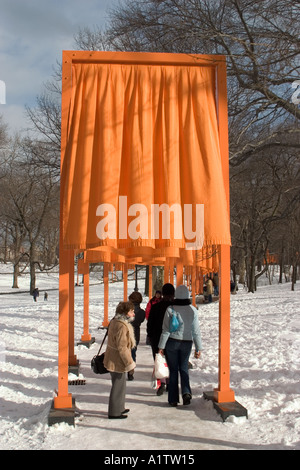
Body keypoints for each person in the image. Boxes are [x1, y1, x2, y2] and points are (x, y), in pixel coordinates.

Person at [158, 284, 202, 407]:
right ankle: (186, 392)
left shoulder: (170, 309)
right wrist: (198, 347)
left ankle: (173, 398)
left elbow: (165, 330)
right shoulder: (192, 310)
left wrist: (161, 347)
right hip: (187, 342)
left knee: (173, 370)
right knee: (183, 368)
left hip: (172, 341)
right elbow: (196, 331)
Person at [103, 301, 136, 419]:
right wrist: (130, 364)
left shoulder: (115, 322)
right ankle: (114, 411)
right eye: (131, 311)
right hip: (117, 360)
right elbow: (122, 347)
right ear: (125, 313)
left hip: (113, 358)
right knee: (117, 386)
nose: (133, 313)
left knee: (120, 384)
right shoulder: (122, 326)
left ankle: (120, 407)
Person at [147, 283, 175, 395]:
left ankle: (162, 382)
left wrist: (150, 335)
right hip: (172, 338)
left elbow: (150, 323)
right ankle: (170, 383)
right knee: (171, 361)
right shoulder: (174, 307)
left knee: (159, 360)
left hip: (157, 338)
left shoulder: (156, 307)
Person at [128, 291, 146, 381]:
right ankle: (131, 371)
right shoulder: (142, 312)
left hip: (126, 332)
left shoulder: (126, 311)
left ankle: (124, 368)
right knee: (133, 352)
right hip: (136, 333)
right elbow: (142, 320)